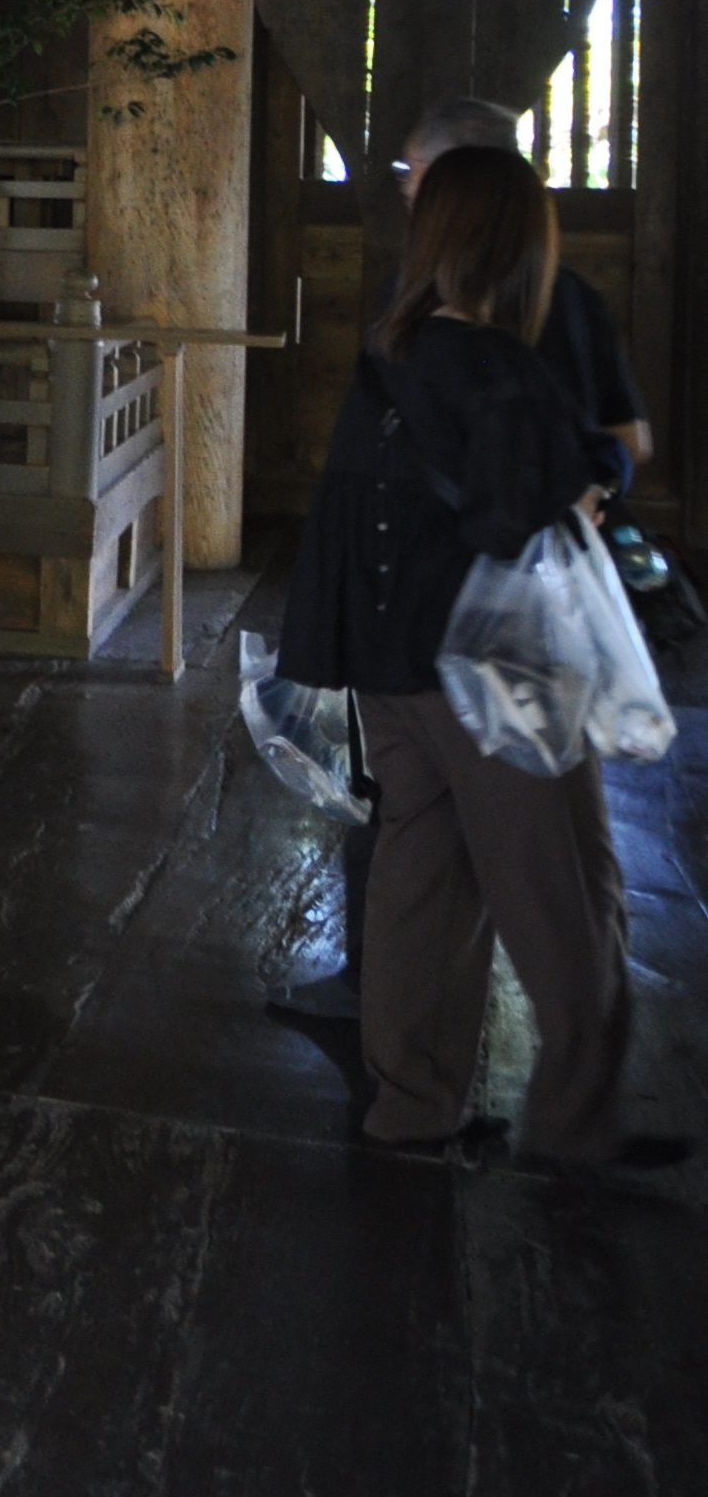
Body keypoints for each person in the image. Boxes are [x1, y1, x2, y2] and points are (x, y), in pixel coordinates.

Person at [285, 145, 677, 1174]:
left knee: (423, 880)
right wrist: (596, 473)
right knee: (565, 885)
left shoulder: (391, 352)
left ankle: (411, 1106)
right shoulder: (500, 368)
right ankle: (579, 1119)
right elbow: (521, 517)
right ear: (517, 244)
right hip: (492, 672)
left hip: (387, 667)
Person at [399, 98, 653, 485]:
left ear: (449, 182)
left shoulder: (422, 297)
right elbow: (633, 440)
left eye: (411, 170)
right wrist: (587, 485)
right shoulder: (576, 292)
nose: (406, 188)